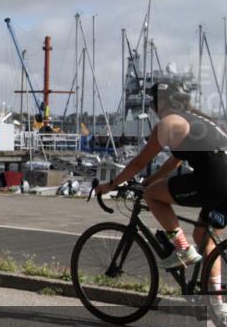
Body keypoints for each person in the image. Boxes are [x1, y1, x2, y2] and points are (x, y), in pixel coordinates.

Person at [96, 80, 227, 311]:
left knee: (152, 195)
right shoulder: (197, 119)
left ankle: (183, 249)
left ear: (161, 103)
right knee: (205, 239)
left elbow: (138, 162)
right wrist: (153, 179)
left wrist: (112, 184)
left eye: (153, 102)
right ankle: (217, 304)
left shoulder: (168, 122)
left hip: (214, 181)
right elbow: (175, 159)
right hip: (222, 183)